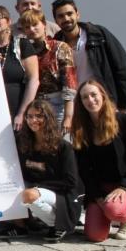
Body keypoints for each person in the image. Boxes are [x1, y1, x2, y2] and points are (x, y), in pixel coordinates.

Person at [73, 80, 126, 242]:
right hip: (100, 189)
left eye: (93, 95)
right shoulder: (81, 129)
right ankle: (108, 214)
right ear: (81, 102)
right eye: (84, 97)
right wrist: (96, 197)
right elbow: (83, 169)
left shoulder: (124, 121)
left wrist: (124, 187)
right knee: (95, 235)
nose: (90, 100)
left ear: (102, 96)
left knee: (113, 210)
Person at [16, 100, 81, 242]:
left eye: (39, 116)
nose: (34, 120)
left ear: (48, 118)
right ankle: (23, 225)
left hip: (62, 194)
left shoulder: (63, 147)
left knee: (29, 195)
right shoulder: (26, 144)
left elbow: (70, 181)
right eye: (29, 116)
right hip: (40, 190)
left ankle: (58, 225)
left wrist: (39, 188)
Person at [53, 0, 126, 111]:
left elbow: (121, 68)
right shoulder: (55, 44)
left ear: (77, 14)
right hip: (73, 106)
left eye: (70, 14)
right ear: (55, 20)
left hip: (102, 101)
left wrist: (123, 106)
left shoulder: (98, 35)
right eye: (61, 16)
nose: (66, 18)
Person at [0, 6, 39, 130]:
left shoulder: (22, 45)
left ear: (9, 21)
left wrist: (22, 113)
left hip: (17, 109)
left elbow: (34, 80)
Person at [18, 9, 77, 131]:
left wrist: (68, 117)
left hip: (58, 104)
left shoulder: (60, 47)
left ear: (44, 24)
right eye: (27, 27)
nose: (32, 29)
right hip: (35, 106)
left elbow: (69, 83)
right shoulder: (22, 52)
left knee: (61, 145)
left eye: (35, 25)